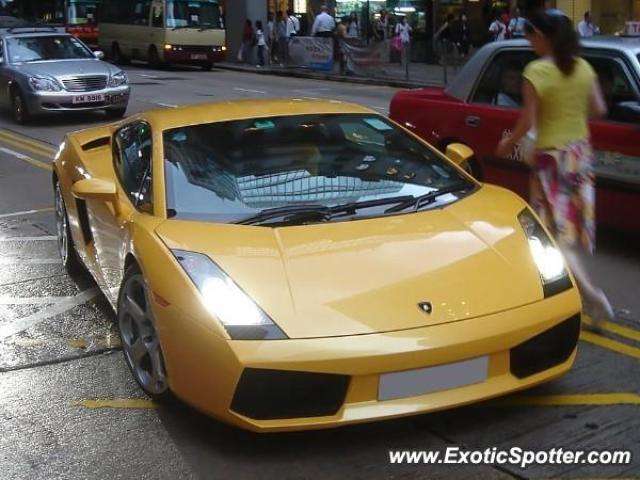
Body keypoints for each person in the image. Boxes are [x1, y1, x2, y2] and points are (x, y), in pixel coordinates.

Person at [495, 11, 615, 326]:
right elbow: (599, 109)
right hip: (580, 154)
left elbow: (528, 120)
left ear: (544, 37)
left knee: (549, 233)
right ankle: (572, 290)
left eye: (530, 35)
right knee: (567, 232)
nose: (528, 41)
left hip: (551, 158)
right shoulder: (583, 67)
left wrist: (508, 145)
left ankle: (589, 295)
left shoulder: (536, 71)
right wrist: (571, 112)